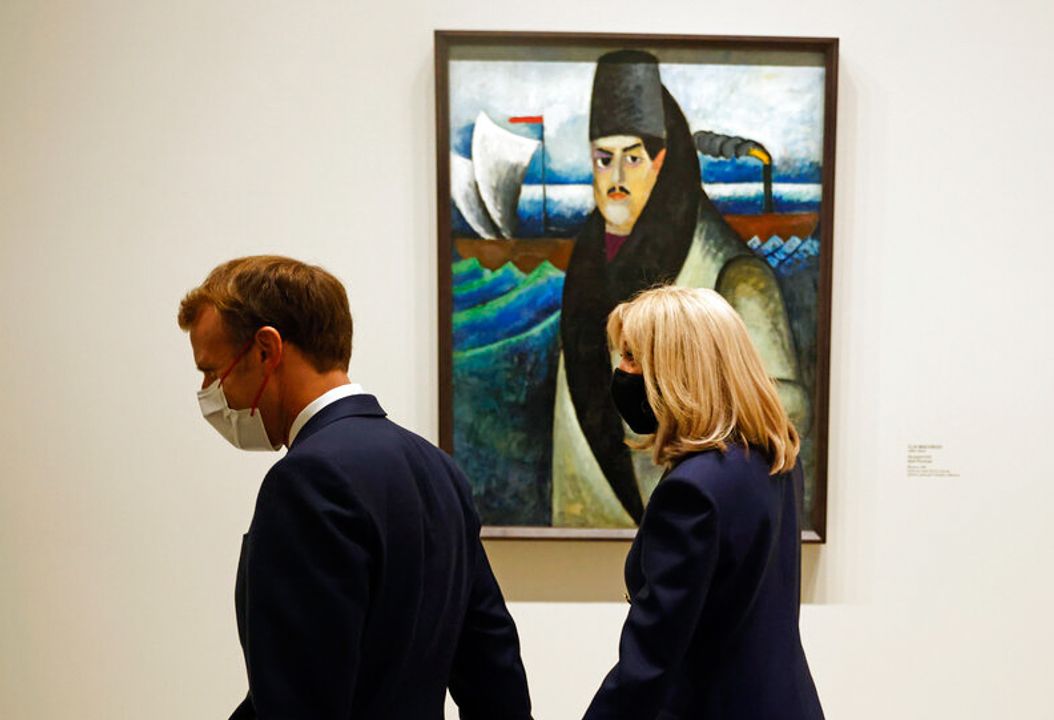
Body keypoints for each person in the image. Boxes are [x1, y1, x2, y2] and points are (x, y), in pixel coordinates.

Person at [178, 255, 532, 720]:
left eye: (212, 371)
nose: (209, 391)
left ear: (266, 350)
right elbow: (494, 674)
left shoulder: (305, 481)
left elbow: (299, 700)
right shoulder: (440, 470)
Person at [554, 49, 810, 530]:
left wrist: (687, 411)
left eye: (633, 158)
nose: (616, 178)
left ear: (661, 162)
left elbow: (783, 414)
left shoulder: (735, 275)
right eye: (604, 160)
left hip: (695, 524)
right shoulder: (586, 262)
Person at [583, 285, 825, 720]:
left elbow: (651, 660)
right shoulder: (775, 462)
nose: (621, 370)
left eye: (632, 357)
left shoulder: (693, 489)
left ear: (676, 369)